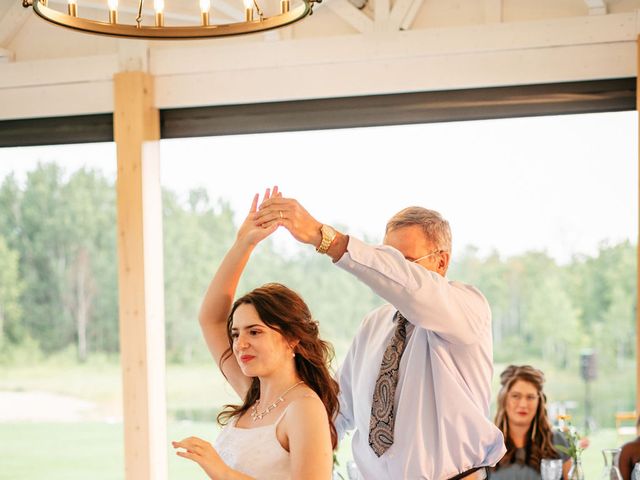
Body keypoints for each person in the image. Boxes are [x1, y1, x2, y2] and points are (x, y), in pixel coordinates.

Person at [255, 197, 506, 480]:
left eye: (405, 263)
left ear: (442, 261)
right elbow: (337, 407)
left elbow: (413, 287)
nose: (387, 271)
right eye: (385, 258)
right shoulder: (373, 325)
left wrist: (323, 238)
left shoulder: (467, 310)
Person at [172, 188, 339, 480]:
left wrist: (222, 472)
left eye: (254, 331)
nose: (240, 344)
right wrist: (244, 243)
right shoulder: (253, 394)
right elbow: (211, 319)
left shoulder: (303, 409)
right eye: (235, 334)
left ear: (292, 338)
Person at [490, 365, 571, 480]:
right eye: (515, 396)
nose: (523, 404)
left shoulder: (558, 441)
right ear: (504, 399)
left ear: (539, 401)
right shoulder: (486, 444)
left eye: (530, 397)